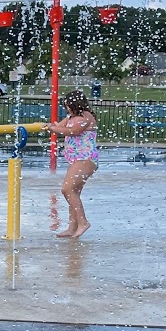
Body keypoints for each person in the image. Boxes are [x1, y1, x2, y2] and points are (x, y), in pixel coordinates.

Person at [48, 90, 99, 238]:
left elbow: (73, 131)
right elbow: (59, 127)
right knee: (74, 192)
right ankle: (72, 227)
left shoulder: (86, 116)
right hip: (77, 159)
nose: (67, 109)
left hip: (86, 158)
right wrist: (51, 127)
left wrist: (53, 128)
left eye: (69, 106)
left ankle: (83, 222)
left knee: (67, 189)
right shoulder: (72, 117)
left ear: (76, 104)